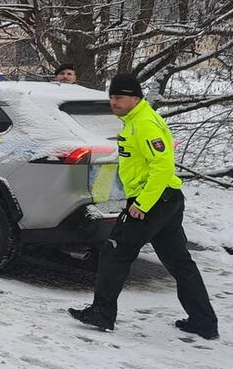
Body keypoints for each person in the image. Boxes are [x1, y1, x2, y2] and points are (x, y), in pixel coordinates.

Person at [68, 73, 218, 339]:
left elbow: (162, 167)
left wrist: (143, 204)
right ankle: (203, 321)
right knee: (179, 262)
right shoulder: (135, 120)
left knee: (115, 253)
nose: (114, 102)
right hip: (166, 199)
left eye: (120, 97)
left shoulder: (144, 124)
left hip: (153, 201)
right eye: (112, 97)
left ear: (135, 98)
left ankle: (101, 313)